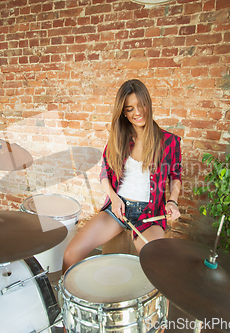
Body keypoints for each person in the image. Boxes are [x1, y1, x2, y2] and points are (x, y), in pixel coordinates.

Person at [62, 79, 182, 273]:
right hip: (118, 209)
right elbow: (104, 174)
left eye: (140, 104)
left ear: (148, 103)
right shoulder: (119, 139)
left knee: (161, 269)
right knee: (70, 254)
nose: (137, 112)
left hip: (150, 214)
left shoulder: (170, 142)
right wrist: (114, 198)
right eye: (129, 109)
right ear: (123, 113)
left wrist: (173, 201)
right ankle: (63, 302)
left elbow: (175, 176)